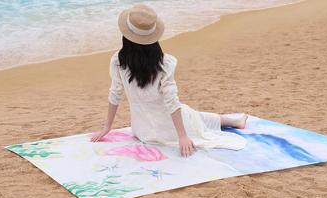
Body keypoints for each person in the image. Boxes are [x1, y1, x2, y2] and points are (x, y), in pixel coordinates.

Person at [90, 4, 248, 157]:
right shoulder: (164, 63)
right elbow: (172, 101)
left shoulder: (118, 61)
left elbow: (115, 94)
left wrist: (107, 127)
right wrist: (182, 136)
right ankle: (235, 122)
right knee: (193, 116)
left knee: (193, 115)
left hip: (142, 130)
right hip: (169, 130)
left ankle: (235, 122)